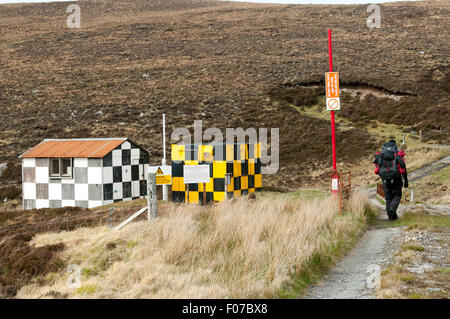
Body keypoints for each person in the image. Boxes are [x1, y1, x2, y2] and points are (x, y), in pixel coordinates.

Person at [373, 140, 408, 221]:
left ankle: (390, 216)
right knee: (397, 196)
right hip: (396, 178)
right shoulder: (397, 154)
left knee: (388, 198)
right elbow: (403, 168)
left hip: (385, 179)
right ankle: (392, 209)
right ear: (395, 146)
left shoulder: (382, 155)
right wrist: (406, 181)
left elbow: (377, 168)